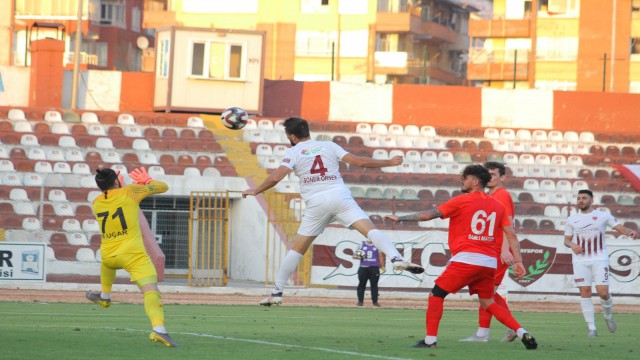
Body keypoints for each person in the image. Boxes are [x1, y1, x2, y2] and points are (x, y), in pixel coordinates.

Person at [242, 117, 424, 306]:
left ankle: (277, 293)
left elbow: (277, 176)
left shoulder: (293, 151)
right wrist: (389, 162)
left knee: (296, 250)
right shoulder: (329, 145)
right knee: (371, 230)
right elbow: (358, 161)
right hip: (340, 197)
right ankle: (396, 258)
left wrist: (256, 190)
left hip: (317, 202)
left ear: (292, 136)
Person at [384, 164, 537, 350]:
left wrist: (400, 218)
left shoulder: (461, 201)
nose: (461, 181)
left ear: (474, 181)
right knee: (488, 302)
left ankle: (430, 340)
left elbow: (428, 215)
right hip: (489, 262)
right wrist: (519, 262)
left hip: (467, 259)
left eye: (464, 178)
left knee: (436, 295)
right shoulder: (497, 205)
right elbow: (511, 233)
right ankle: (522, 332)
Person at [85, 167, 178, 347]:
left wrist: (123, 185)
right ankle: (159, 331)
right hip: (133, 255)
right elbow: (163, 187)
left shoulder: (96, 202)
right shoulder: (130, 191)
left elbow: (115, 198)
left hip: (109, 257)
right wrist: (147, 181)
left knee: (108, 260)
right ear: (116, 182)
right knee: (151, 292)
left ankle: (105, 295)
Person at [564, 189, 637, 337]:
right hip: (580, 261)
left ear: (591, 200)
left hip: (599, 259)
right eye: (578, 198)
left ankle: (608, 316)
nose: (581, 201)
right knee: (585, 292)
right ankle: (592, 328)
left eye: (584, 198)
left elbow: (620, 227)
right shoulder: (572, 219)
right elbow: (566, 240)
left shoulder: (603, 216)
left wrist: (629, 231)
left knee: (603, 292)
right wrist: (573, 246)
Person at [460, 162, 518, 343]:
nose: (490, 177)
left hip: (498, 251)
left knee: (486, 293)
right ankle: (511, 327)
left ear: (502, 178)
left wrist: (505, 250)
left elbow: (507, 225)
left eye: (494, 174)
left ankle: (483, 334)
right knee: (488, 293)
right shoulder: (490, 196)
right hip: (490, 250)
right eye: (488, 174)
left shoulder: (503, 195)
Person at [353, 240, 382, 307]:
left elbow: (380, 256)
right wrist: (358, 256)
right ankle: (360, 301)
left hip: (374, 268)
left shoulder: (377, 244)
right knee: (361, 285)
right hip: (363, 267)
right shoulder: (361, 244)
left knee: (374, 285)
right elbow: (354, 256)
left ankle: (375, 302)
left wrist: (382, 266)